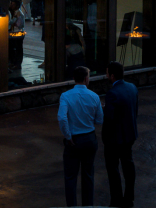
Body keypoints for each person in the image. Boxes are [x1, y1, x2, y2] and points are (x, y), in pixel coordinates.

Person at [57, 66, 103, 208]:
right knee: (88, 175)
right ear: (86, 79)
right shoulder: (94, 96)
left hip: (73, 140)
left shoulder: (65, 96)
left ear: (74, 79)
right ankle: (88, 205)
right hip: (89, 139)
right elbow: (100, 119)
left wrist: (67, 135)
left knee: (70, 177)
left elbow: (62, 118)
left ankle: (72, 206)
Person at [103, 61, 138, 208]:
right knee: (128, 165)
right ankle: (129, 196)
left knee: (113, 169)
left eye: (107, 73)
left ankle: (116, 198)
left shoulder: (112, 94)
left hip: (114, 139)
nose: (106, 75)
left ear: (112, 75)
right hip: (129, 135)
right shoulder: (132, 88)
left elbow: (109, 119)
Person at [8, 0, 25, 70]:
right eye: (11, 4)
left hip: (18, 33)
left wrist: (14, 21)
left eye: (13, 4)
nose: (11, 5)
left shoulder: (19, 13)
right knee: (15, 48)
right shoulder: (14, 12)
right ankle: (14, 63)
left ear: (17, 6)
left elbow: (20, 25)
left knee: (18, 49)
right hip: (15, 33)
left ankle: (17, 64)